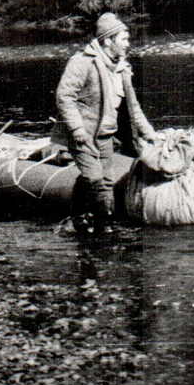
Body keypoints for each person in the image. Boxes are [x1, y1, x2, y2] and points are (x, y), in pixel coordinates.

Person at [54, 12, 156, 235]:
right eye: (124, 39)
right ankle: (102, 226)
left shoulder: (122, 69)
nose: (128, 44)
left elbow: (133, 108)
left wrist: (150, 133)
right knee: (95, 179)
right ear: (108, 41)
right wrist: (77, 129)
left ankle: (85, 220)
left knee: (105, 180)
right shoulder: (82, 62)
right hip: (82, 134)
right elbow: (64, 97)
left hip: (106, 136)